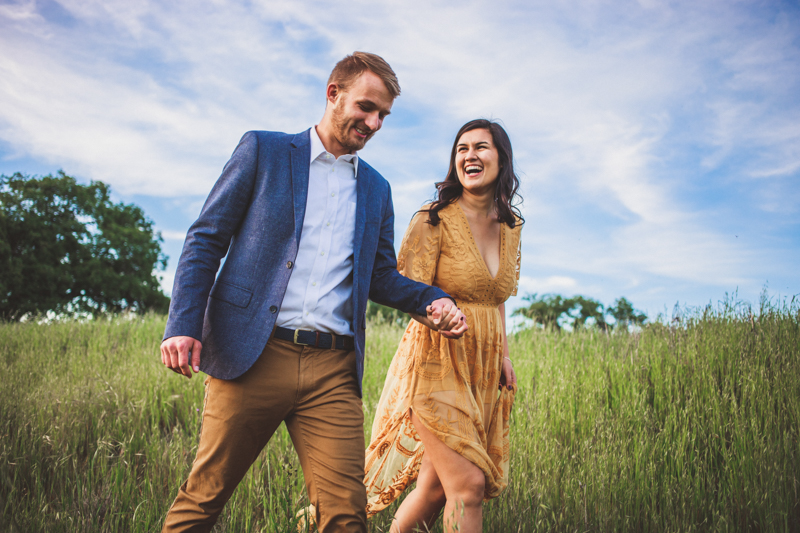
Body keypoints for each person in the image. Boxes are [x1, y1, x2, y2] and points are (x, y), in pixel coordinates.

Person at [159, 52, 468, 533]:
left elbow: (380, 276)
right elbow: (206, 238)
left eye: (383, 115)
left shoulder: (376, 189)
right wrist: (181, 326)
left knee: (347, 516)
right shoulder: (263, 150)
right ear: (333, 93)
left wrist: (432, 299)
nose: (374, 122)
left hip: (333, 371)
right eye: (366, 107)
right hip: (251, 355)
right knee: (205, 498)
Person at [363, 119, 522, 533]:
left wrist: (504, 354)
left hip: (482, 367)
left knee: (435, 490)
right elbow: (405, 291)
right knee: (468, 486)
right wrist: (438, 313)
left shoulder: (511, 227)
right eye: (462, 149)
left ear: (501, 159)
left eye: (481, 147)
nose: (470, 155)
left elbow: (496, 296)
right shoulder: (432, 219)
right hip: (437, 359)